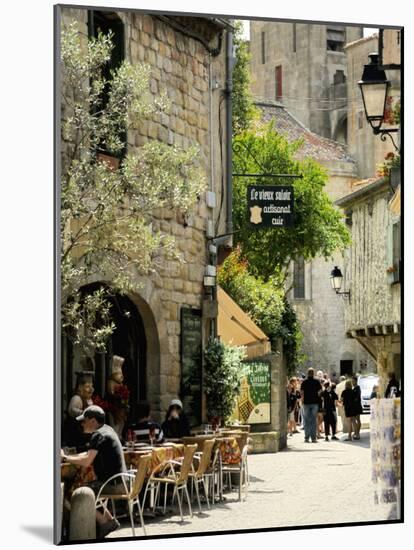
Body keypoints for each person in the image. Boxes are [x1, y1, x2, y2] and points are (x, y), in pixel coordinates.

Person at [61, 405, 126, 539]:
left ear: (93, 421)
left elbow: (86, 461)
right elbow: (88, 454)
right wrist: (67, 457)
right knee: (90, 487)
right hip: (120, 482)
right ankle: (109, 520)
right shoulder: (107, 430)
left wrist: (65, 458)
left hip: (112, 485)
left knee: (73, 493)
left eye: (84, 420)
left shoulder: (99, 434)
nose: (82, 423)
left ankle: (102, 523)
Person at [300, 368, 322, 443]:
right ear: (313, 373)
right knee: (313, 420)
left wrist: (302, 399)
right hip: (314, 402)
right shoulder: (317, 381)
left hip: (306, 403)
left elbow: (302, 392)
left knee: (306, 420)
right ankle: (313, 438)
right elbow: (320, 392)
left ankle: (306, 437)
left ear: (307, 373)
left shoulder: (304, 382)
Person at [351, 375, 363, 440]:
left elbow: (356, 398)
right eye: (352, 381)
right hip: (355, 406)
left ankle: (357, 433)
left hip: (357, 406)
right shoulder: (354, 388)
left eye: (353, 381)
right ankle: (356, 432)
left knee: (357, 420)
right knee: (356, 420)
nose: (352, 382)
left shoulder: (357, 388)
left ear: (356, 381)